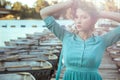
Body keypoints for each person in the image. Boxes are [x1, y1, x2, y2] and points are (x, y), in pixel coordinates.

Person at [40, 0, 120, 80]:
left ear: (93, 20)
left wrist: (100, 13)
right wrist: (68, 4)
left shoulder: (102, 41)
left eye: (84, 17)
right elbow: (44, 13)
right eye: (76, 17)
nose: (78, 21)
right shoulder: (65, 36)